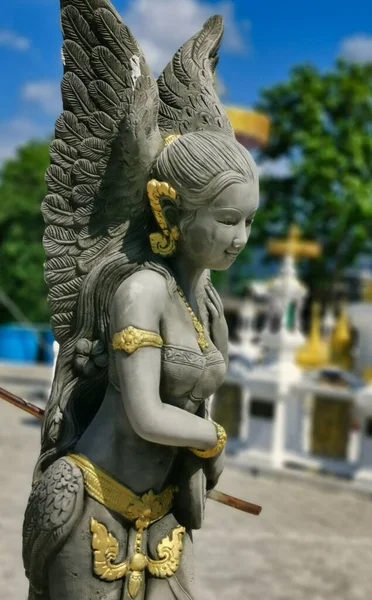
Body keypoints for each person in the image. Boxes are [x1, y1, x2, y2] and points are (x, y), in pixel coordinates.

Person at [22, 2, 259, 599]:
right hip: (91, 501)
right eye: (227, 221)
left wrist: (203, 450)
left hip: (162, 516)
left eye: (249, 222)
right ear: (171, 210)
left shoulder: (204, 301)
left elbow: (200, 402)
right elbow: (147, 415)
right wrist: (211, 440)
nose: (240, 240)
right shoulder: (142, 289)